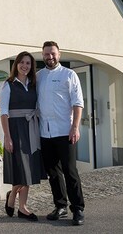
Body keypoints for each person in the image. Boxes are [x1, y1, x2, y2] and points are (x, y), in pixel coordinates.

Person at [37, 41, 85, 226]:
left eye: (53, 53)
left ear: (59, 54)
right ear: (43, 56)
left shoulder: (69, 75)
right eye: (47, 54)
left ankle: (78, 209)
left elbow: (77, 103)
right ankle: (60, 206)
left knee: (70, 171)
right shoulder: (39, 76)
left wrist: (75, 127)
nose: (50, 57)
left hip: (66, 131)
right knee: (53, 173)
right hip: (45, 132)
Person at [0, 51, 46, 222]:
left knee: (30, 169)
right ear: (16, 65)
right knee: (22, 170)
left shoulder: (34, 84)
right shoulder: (9, 84)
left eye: (28, 63)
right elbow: (4, 113)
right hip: (15, 130)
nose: (25, 66)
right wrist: (7, 137)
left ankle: (21, 207)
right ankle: (13, 197)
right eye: (22, 62)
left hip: (32, 128)